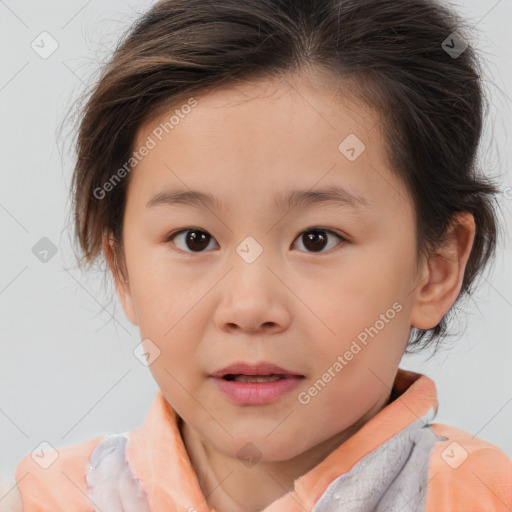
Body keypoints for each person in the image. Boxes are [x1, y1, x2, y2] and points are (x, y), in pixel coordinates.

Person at [10, 0, 512, 510]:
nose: (249, 308)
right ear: (123, 270)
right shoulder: (54, 497)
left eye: (317, 238)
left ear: (436, 269)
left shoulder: (485, 498)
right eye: (194, 239)